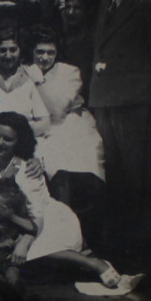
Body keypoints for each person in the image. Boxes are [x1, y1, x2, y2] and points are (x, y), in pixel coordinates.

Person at [0, 112, 140, 294]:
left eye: (8, 139)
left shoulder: (27, 169)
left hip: (46, 221)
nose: (0, 142)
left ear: (18, 142)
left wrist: (25, 242)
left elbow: (37, 213)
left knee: (30, 252)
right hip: (15, 223)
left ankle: (94, 263)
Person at [89, 0, 151, 260]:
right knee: (116, 174)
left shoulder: (145, 6)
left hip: (134, 101)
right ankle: (120, 242)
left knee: (139, 176)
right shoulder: (104, 3)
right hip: (105, 100)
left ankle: (143, 243)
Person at [25, 25, 107, 251]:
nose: (45, 57)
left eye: (50, 52)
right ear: (31, 52)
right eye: (39, 52)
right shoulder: (26, 71)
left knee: (74, 170)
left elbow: (58, 110)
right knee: (55, 173)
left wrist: (39, 81)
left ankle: (82, 238)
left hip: (72, 126)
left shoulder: (70, 72)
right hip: (42, 130)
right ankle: (63, 238)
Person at [0, 27, 50, 137]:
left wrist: (20, 135)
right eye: (2, 50)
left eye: (13, 50)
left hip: (24, 138)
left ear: (20, 50)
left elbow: (45, 121)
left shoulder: (29, 77)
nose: (8, 55)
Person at [59, 0, 99, 100]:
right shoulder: (61, 37)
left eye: (77, 8)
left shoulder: (93, 39)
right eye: (68, 7)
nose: (71, 12)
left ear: (88, 11)